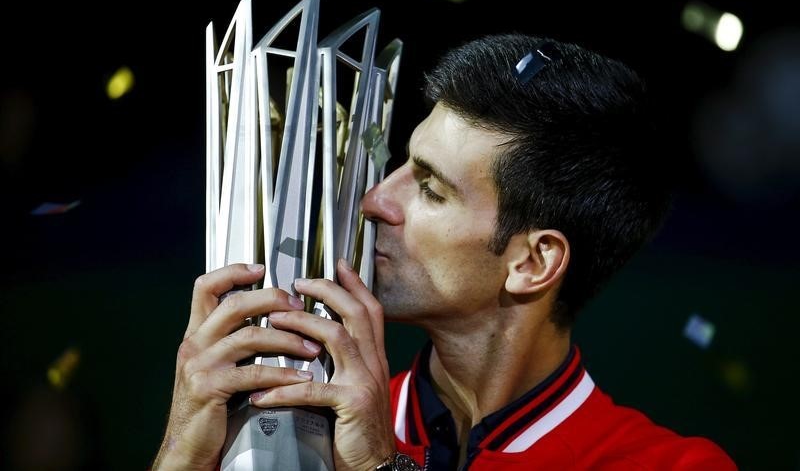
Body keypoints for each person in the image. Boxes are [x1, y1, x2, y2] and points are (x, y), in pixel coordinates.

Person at [153, 34, 736, 470]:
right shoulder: (290, 412)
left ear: (532, 263)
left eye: (430, 188)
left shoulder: (668, 464)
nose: (375, 198)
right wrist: (181, 451)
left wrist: (385, 467)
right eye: (402, 162)